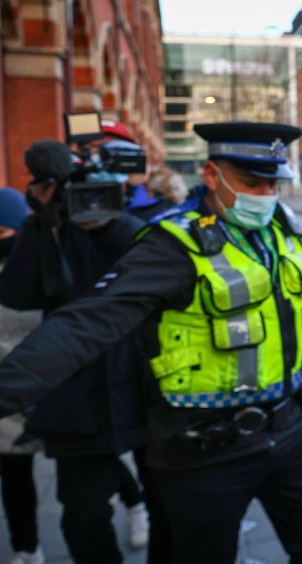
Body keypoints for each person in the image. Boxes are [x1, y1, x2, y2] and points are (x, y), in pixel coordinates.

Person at [0, 123, 302, 564]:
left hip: (292, 434)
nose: (266, 194)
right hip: (205, 451)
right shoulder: (172, 244)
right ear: (213, 175)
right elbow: (87, 322)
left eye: (273, 182)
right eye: (252, 182)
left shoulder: (280, 229)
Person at [0, 141, 150, 564]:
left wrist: (108, 221)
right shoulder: (45, 228)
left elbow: (152, 257)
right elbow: (18, 293)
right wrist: (46, 224)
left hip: (143, 384)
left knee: (173, 502)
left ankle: (140, 509)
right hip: (76, 398)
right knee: (84, 520)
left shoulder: (127, 225)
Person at [0, 188, 44, 564]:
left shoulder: (35, 268)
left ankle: (132, 501)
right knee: (14, 475)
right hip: (6, 400)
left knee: (87, 462)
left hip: (35, 389)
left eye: (2, 232)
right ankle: (27, 547)